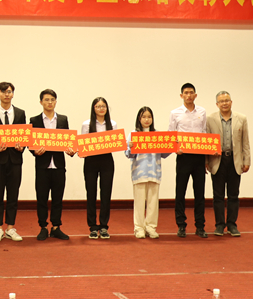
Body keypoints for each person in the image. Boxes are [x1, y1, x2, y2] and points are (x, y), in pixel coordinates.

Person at [0, 81, 27, 242]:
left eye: (9, 91)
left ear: (13, 94)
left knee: (13, 195)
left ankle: (10, 228)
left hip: (15, 160)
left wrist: (22, 147)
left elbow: (24, 136)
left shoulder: (20, 113)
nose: (6, 94)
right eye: (3, 92)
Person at [30, 89, 74, 241]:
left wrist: (70, 150)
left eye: (52, 100)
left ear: (56, 101)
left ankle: (56, 227)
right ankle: (43, 227)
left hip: (59, 165)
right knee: (41, 198)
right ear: (41, 102)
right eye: (46, 100)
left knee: (57, 198)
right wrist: (35, 151)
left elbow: (67, 140)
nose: (49, 102)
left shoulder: (62, 119)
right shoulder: (34, 120)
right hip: (42, 166)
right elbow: (30, 143)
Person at [206, 91, 251, 237]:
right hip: (217, 160)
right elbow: (206, 141)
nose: (224, 103)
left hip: (234, 160)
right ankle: (219, 225)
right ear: (217, 104)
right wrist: (206, 160)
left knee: (233, 195)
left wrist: (246, 160)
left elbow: (245, 142)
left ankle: (232, 224)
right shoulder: (210, 119)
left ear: (231, 102)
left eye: (227, 100)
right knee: (218, 195)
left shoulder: (241, 118)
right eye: (221, 101)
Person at [169, 82, 209, 238]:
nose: (189, 95)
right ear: (181, 95)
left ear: (195, 95)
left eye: (191, 92)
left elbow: (204, 133)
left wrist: (207, 155)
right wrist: (175, 149)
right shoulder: (175, 113)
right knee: (180, 192)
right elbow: (171, 135)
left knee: (200, 193)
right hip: (183, 157)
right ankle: (181, 225)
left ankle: (200, 226)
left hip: (199, 157)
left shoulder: (202, 112)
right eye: (186, 93)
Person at [125, 106, 171, 239]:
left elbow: (164, 154)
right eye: (144, 117)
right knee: (139, 202)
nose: (146, 119)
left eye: (149, 117)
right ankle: (139, 228)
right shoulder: (133, 134)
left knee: (153, 202)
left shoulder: (157, 135)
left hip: (155, 172)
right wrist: (130, 147)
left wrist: (172, 145)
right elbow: (128, 154)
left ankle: (151, 227)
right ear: (139, 119)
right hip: (139, 172)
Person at [81, 96, 118, 239]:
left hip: (106, 161)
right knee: (91, 194)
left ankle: (103, 226)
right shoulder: (87, 124)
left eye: (103, 106)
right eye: (98, 106)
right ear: (93, 108)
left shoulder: (112, 124)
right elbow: (83, 145)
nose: (101, 109)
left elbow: (114, 144)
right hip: (91, 161)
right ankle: (92, 226)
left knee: (106, 194)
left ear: (107, 108)